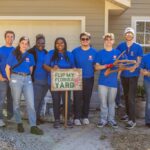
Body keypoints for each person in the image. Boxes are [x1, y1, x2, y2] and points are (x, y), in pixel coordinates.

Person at [5, 36, 43, 135]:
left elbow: (31, 69)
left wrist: (27, 77)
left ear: (28, 45)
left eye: (26, 43)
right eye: (22, 43)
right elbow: (7, 68)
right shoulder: (13, 54)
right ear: (19, 43)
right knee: (16, 102)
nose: (24, 45)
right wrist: (10, 80)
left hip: (27, 79)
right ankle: (19, 123)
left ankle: (33, 126)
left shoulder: (30, 55)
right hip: (15, 78)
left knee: (31, 103)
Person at [43, 37, 75, 128]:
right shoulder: (51, 53)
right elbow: (45, 65)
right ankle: (57, 120)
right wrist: (52, 69)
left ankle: (67, 119)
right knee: (56, 100)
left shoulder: (69, 54)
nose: (59, 45)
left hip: (67, 82)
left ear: (65, 44)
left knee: (67, 101)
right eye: (57, 43)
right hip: (54, 82)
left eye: (61, 43)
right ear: (55, 44)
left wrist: (74, 69)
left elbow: (73, 67)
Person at [116, 27, 143, 129]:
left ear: (133, 35)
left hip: (133, 75)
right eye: (127, 33)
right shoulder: (120, 46)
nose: (128, 35)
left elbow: (139, 60)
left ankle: (132, 120)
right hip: (123, 75)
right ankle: (128, 114)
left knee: (131, 97)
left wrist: (134, 67)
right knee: (126, 96)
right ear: (125, 35)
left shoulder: (138, 47)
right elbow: (117, 59)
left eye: (130, 33)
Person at [95, 33, 120, 128]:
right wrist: (107, 66)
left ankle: (111, 119)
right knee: (103, 102)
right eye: (106, 39)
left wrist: (118, 76)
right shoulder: (100, 53)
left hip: (113, 82)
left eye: (110, 39)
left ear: (113, 41)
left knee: (111, 102)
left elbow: (121, 66)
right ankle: (103, 119)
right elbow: (97, 67)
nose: (108, 41)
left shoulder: (117, 53)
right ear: (104, 41)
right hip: (103, 82)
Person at [72, 32, 97, 126]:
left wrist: (90, 72)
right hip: (77, 78)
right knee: (77, 98)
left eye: (87, 39)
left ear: (89, 40)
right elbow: (72, 64)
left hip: (89, 78)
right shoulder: (75, 51)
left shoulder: (94, 52)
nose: (85, 40)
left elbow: (95, 66)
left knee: (87, 98)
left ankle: (85, 116)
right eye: (83, 39)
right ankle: (76, 117)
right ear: (80, 40)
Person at [28, 34, 48, 125]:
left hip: (46, 80)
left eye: (43, 43)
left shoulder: (46, 52)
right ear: (36, 42)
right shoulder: (31, 52)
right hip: (35, 79)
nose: (41, 44)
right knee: (36, 100)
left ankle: (38, 117)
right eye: (39, 42)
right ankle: (33, 119)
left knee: (41, 99)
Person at [0, 30, 15, 127]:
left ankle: (10, 116)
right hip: (3, 78)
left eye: (11, 36)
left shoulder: (16, 50)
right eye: (8, 36)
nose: (10, 38)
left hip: (13, 79)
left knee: (12, 99)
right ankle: (0, 118)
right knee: (1, 99)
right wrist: (0, 76)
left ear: (14, 38)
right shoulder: (1, 49)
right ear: (5, 38)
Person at [140, 54, 150, 127]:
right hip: (148, 82)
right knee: (149, 101)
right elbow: (141, 71)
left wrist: (148, 73)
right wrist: (144, 72)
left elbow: (146, 72)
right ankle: (148, 121)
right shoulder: (145, 57)